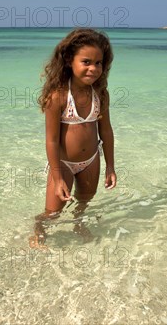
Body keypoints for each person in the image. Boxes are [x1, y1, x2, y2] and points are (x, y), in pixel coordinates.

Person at [29, 28, 117, 249]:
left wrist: (110, 166)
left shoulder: (100, 94)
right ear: (69, 60)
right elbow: (51, 140)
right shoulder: (58, 96)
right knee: (52, 212)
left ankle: (78, 224)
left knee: (85, 200)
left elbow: (106, 131)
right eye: (86, 61)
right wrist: (57, 177)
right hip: (64, 164)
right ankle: (39, 230)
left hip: (92, 161)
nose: (93, 68)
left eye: (99, 63)